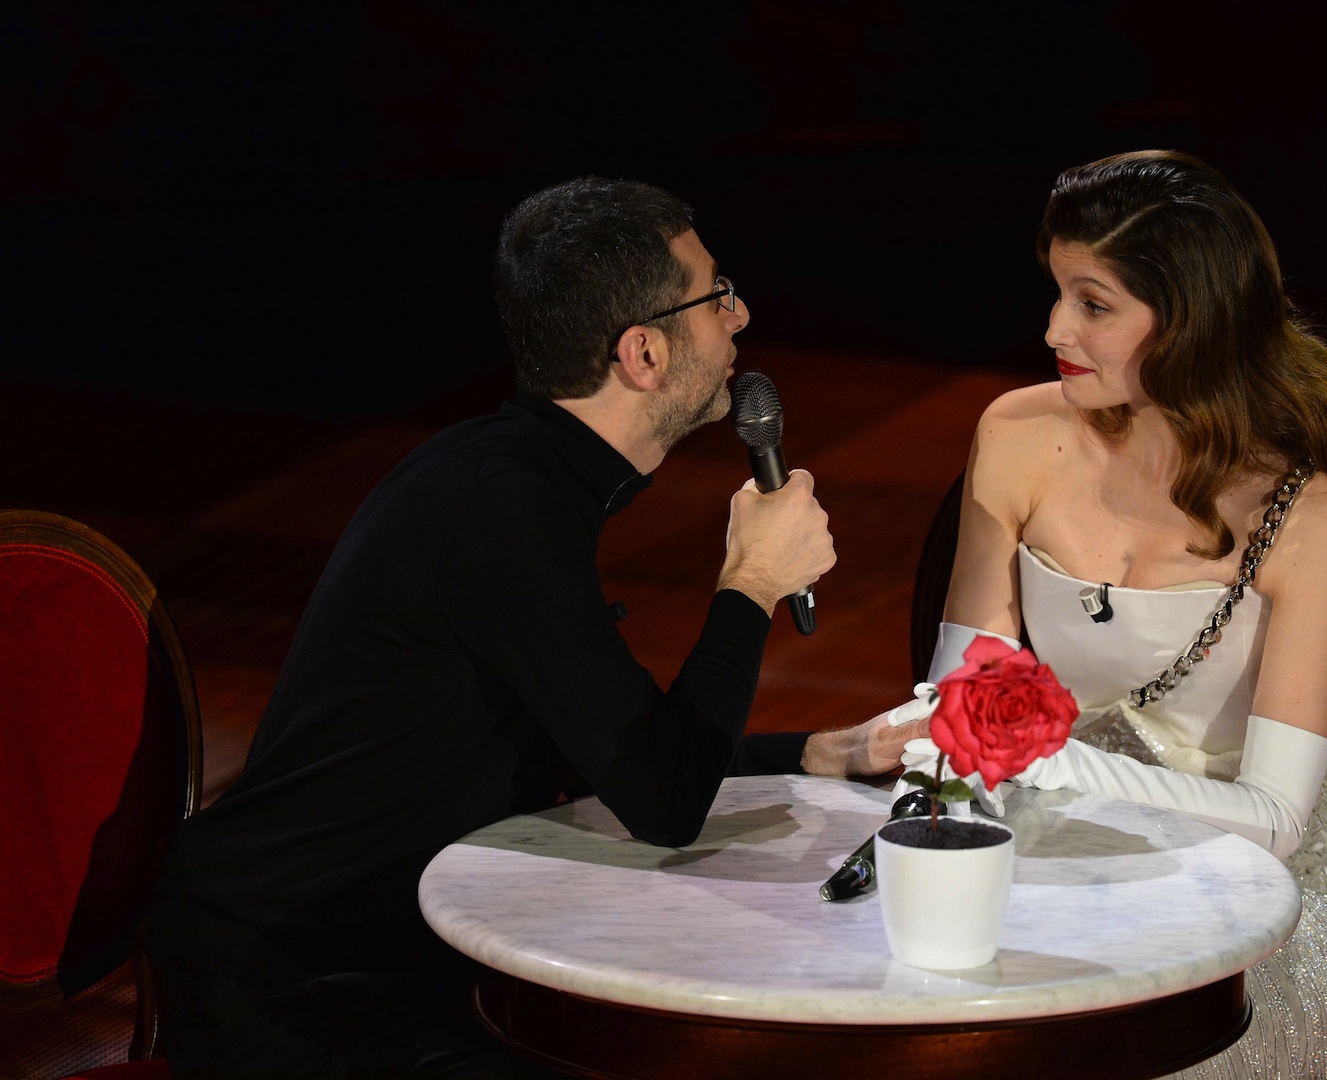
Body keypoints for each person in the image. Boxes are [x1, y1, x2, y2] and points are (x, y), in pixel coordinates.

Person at [146, 176, 925, 1078]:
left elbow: (611, 751)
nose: (741, 316)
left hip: (383, 949)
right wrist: (749, 584)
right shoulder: (501, 513)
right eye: (717, 296)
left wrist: (820, 752)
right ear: (643, 352)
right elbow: (665, 803)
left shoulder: (511, 481)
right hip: (294, 983)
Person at [898, 150, 1327, 1078]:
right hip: (1050, 847)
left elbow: (1271, 823)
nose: (1054, 326)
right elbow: (960, 701)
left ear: (1191, 324)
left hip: (1249, 896)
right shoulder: (1015, 433)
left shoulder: (1309, 519)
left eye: (1094, 305)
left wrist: (1053, 762)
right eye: (1058, 291)